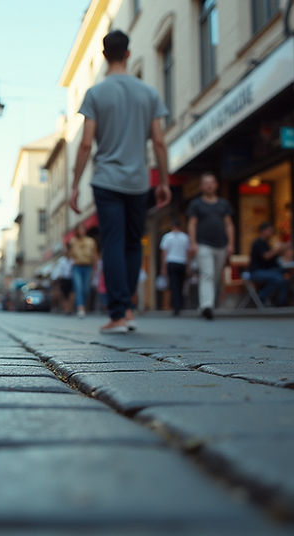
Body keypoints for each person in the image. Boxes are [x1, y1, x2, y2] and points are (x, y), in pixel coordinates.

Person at [69, 30, 171, 333]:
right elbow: (159, 142)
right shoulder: (148, 93)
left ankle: (118, 312)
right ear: (127, 54)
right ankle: (128, 310)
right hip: (139, 181)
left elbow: (86, 144)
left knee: (112, 242)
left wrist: (75, 184)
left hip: (107, 180)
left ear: (103, 56)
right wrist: (163, 181)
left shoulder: (96, 94)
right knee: (132, 243)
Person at [187, 173, 234, 320]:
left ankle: (206, 304)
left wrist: (231, 243)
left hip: (221, 245)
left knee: (215, 276)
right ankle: (207, 305)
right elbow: (192, 224)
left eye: (211, 182)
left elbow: (229, 224)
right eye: (206, 183)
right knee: (207, 274)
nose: (209, 185)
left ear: (216, 185)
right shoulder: (196, 204)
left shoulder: (223, 204)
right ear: (201, 186)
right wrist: (193, 243)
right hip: (203, 245)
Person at [248, 222, 291, 307]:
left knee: (285, 276)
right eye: (270, 231)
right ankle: (261, 296)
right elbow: (266, 256)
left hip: (267, 270)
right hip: (257, 272)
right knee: (278, 278)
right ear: (263, 231)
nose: (271, 233)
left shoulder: (266, 243)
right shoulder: (258, 243)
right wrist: (277, 249)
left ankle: (281, 302)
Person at [159, 217, 190, 315]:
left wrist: (163, 267)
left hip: (171, 262)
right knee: (180, 285)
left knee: (174, 285)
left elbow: (164, 252)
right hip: (182, 262)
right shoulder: (185, 237)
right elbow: (188, 252)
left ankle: (176, 306)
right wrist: (188, 266)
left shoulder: (167, 237)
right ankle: (179, 305)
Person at [69, 224, 98, 318]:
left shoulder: (91, 241)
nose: (81, 231)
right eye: (79, 229)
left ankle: (83, 306)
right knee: (78, 287)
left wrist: (95, 267)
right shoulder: (73, 241)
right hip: (77, 266)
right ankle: (80, 308)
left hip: (88, 266)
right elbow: (69, 256)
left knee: (86, 289)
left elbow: (94, 255)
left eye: (82, 228)